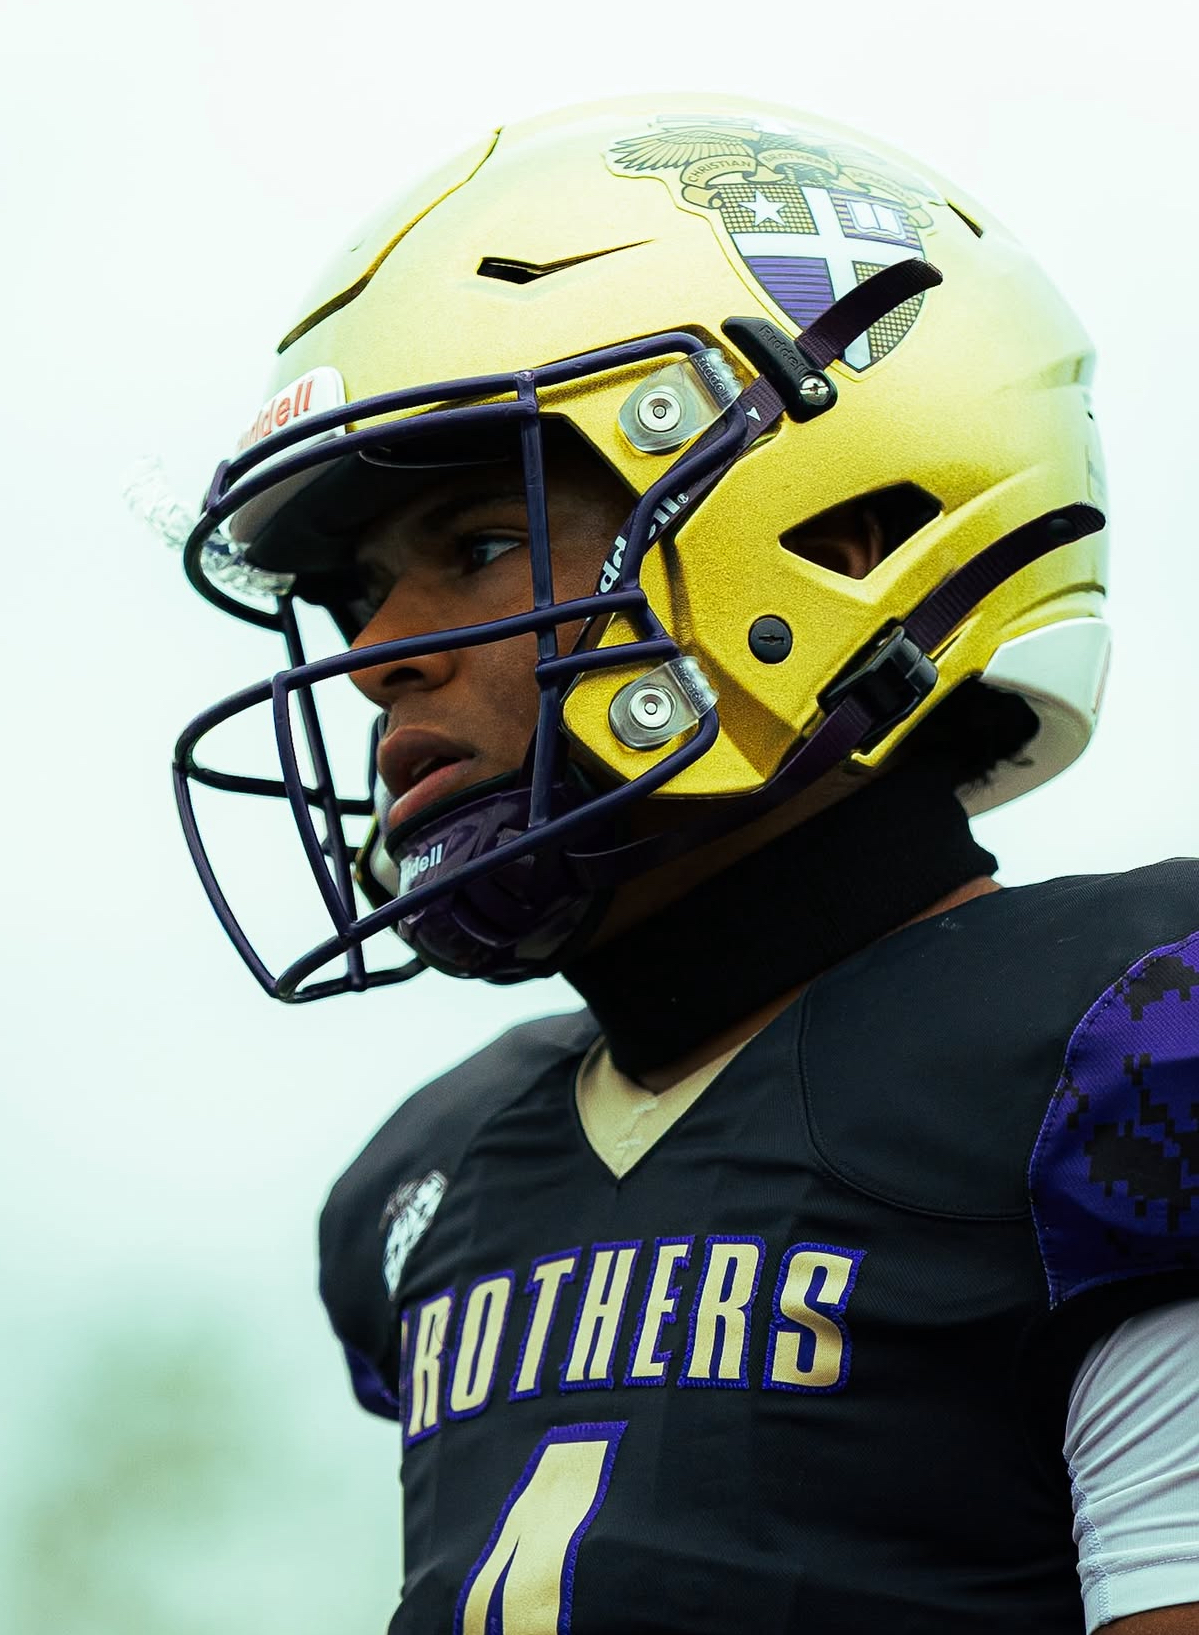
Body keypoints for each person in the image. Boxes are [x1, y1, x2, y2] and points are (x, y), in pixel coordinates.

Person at [168, 95, 1199, 1633]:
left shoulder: (1124, 1053)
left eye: (476, 545)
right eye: (358, 594)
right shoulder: (436, 1186)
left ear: (843, 533)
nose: (379, 659)